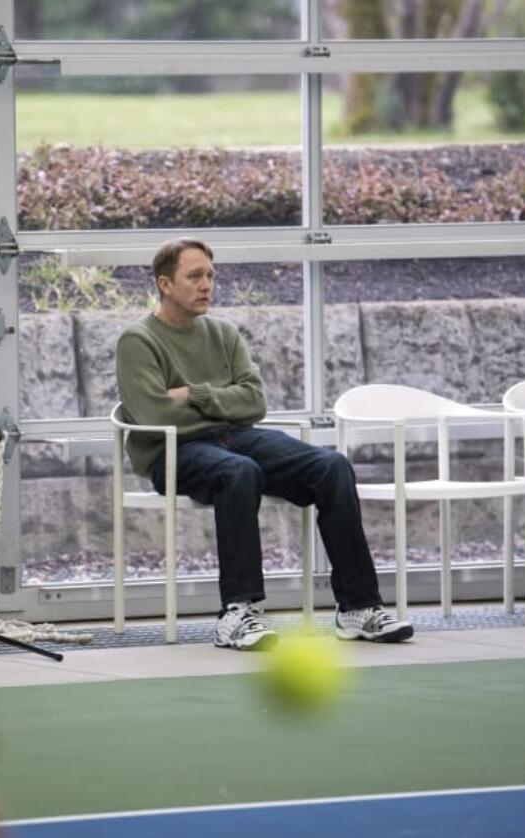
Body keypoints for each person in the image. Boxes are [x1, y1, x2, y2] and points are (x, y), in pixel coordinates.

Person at [115, 238, 414, 650]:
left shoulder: (223, 333)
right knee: (239, 471)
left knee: (332, 466)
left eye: (210, 275)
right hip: (175, 452)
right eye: (195, 276)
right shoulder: (138, 340)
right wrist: (221, 404)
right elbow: (155, 415)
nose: (207, 285)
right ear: (165, 284)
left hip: (237, 437)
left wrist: (196, 394)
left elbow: (254, 402)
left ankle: (358, 607)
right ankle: (238, 612)